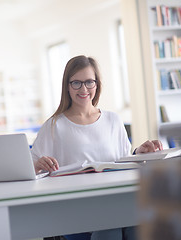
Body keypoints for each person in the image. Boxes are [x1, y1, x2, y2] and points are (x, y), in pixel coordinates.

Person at [30, 55, 162, 240]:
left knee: (138, 226)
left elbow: (123, 161)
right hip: (75, 209)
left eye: (89, 82)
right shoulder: (54, 125)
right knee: (109, 230)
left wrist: (138, 154)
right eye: (76, 83)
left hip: (115, 201)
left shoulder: (113, 120)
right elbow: (29, 168)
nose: (83, 89)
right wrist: (37, 165)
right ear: (67, 86)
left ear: (97, 84)